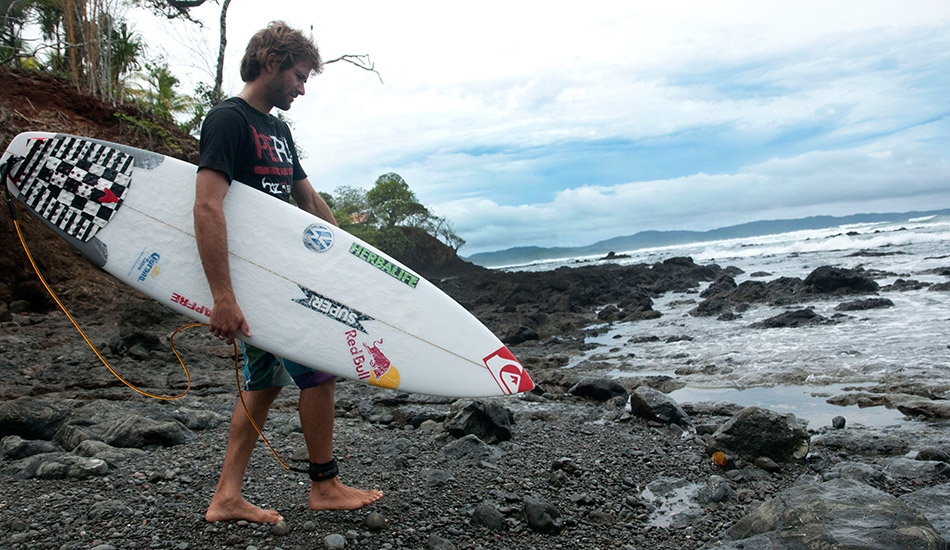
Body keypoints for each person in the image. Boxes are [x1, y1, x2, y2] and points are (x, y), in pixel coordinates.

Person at [193, 21, 383, 524]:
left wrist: (347, 252)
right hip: (254, 283)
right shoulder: (228, 121)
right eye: (299, 76)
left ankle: (226, 497)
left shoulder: (277, 130)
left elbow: (307, 197)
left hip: (282, 276)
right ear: (272, 63)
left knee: (265, 383)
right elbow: (208, 208)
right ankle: (324, 485)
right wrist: (223, 296)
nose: (302, 88)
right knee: (319, 369)